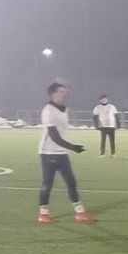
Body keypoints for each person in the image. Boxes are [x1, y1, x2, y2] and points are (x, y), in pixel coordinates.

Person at [36, 82, 95, 225]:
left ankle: (80, 213)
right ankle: (43, 214)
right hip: (48, 153)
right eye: (61, 91)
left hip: (62, 153)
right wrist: (72, 147)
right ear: (53, 93)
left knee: (71, 182)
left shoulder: (64, 109)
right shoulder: (48, 111)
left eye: (64, 91)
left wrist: (69, 148)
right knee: (48, 183)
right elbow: (54, 136)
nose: (65, 94)